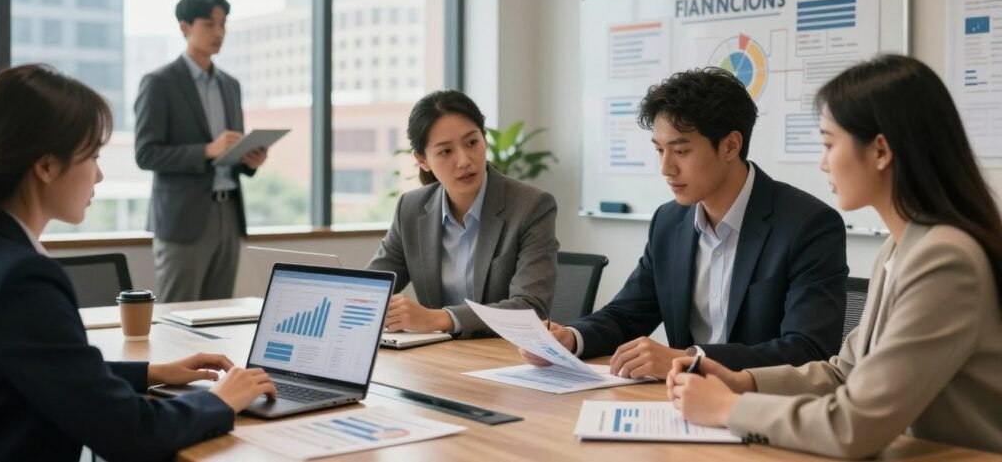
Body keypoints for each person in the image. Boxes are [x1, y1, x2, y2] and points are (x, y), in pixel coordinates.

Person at [667, 55, 1002, 458]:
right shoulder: (900, 246)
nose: (822, 162)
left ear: (880, 151)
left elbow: (852, 426)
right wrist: (743, 382)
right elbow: (845, 372)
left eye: (828, 143)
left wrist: (727, 408)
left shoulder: (945, 260)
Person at [0, 65, 276, 462]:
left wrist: (149, 373)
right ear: (47, 166)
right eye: (93, 156)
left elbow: (46, 370)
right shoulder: (23, 279)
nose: (99, 176)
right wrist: (221, 401)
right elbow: (129, 430)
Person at [523, 67, 848, 376]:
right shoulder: (669, 221)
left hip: (762, 409)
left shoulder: (807, 225)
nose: (666, 168)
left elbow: (808, 350)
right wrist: (571, 338)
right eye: (660, 150)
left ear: (731, 145)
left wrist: (689, 360)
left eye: (680, 151)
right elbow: (627, 314)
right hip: (680, 404)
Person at [366, 90, 558, 338]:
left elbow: (530, 307)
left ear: (484, 140)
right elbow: (372, 288)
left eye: (472, 143)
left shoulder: (531, 206)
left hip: (503, 356)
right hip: (439, 357)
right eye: (446, 151)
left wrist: (438, 318)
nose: (464, 160)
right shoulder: (411, 208)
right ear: (423, 160)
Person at [134, 0, 267, 302]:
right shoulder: (159, 83)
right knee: (176, 311)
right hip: (184, 219)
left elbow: (230, 149)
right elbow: (145, 153)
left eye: (223, 24)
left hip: (229, 214)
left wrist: (249, 159)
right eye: (209, 24)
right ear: (185, 27)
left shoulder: (230, 85)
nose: (219, 33)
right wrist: (207, 150)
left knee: (218, 315)